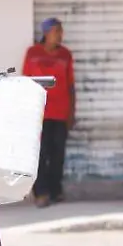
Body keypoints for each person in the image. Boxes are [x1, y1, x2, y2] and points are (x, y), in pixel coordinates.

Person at [23, 17, 76, 208]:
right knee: (40, 154)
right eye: (57, 31)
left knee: (58, 155)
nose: (60, 35)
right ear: (46, 33)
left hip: (60, 113)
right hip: (38, 114)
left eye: (61, 31)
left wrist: (71, 113)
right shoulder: (33, 53)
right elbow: (26, 84)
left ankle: (56, 190)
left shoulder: (65, 55)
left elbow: (71, 86)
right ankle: (41, 193)